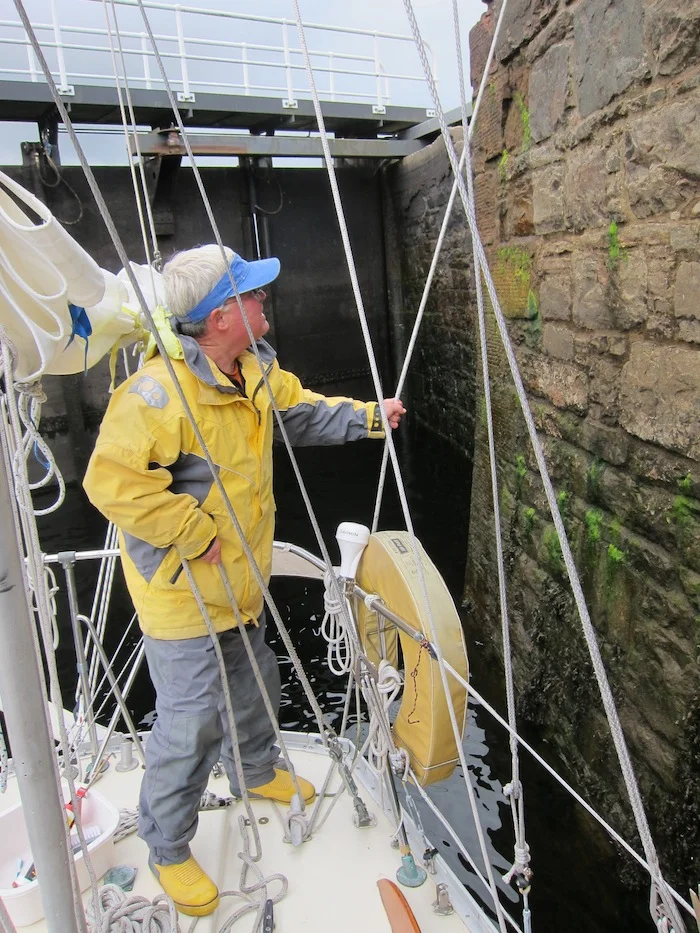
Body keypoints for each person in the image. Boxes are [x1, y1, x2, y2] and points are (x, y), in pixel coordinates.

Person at [83, 244, 406, 917]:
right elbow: (108, 483)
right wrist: (195, 531)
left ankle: (258, 769)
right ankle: (167, 845)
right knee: (192, 719)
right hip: (182, 592)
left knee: (258, 676)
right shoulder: (154, 394)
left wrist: (370, 417)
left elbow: (303, 412)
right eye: (252, 295)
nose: (265, 303)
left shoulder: (253, 368)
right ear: (222, 315)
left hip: (239, 580)